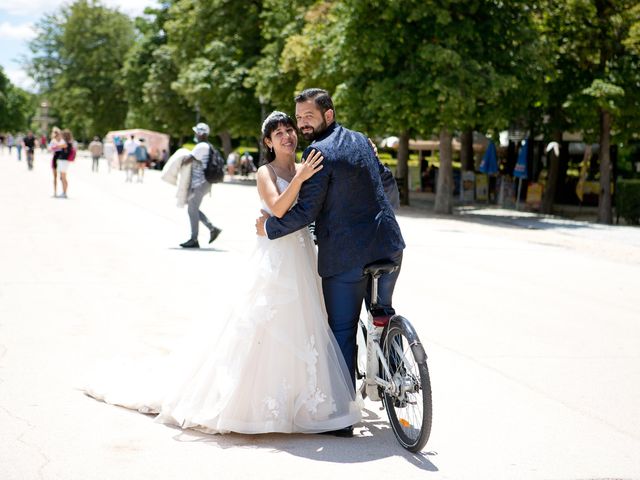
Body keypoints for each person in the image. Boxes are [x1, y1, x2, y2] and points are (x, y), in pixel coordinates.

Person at [84, 111, 361, 435]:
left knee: (306, 323)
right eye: (278, 133)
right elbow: (280, 208)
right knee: (266, 322)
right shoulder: (265, 172)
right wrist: (298, 181)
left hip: (301, 252)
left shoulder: (305, 166)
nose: (287, 136)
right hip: (275, 256)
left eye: (289, 129)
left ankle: (303, 398)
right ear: (268, 143)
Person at [256, 89, 405, 437]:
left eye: (309, 116)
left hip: (346, 256)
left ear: (329, 115)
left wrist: (269, 227)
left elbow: (306, 210)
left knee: (342, 329)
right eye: (300, 117)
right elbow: (386, 183)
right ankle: (398, 375)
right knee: (383, 310)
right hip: (388, 244)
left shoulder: (318, 153)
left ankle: (341, 417)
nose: (303, 123)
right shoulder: (361, 141)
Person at [179, 122, 222, 248]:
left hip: (200, 183)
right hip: (204, 183)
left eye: (196, 132)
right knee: (193, 209)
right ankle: (212, 229)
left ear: (201, 133)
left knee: (192, 209)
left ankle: (194, 239)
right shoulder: (207, 146)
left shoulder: (201, 146)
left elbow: (186, 161)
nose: (195, 135)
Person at [48, 127, 67, 197]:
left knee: (62, 177)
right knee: (55, 177)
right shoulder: (52, 141)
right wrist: (55, 147)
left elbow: (65, 145)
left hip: (61, 159)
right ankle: (55, 192)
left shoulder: (62, 140)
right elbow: (49, 149)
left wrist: (56, 146)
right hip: (55, 158)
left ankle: (64, 192)